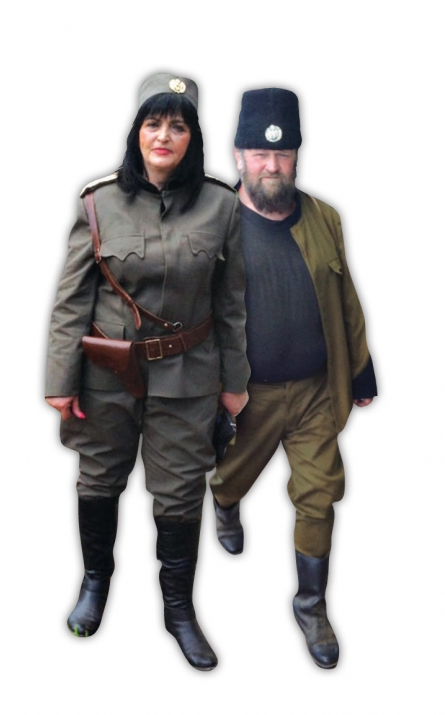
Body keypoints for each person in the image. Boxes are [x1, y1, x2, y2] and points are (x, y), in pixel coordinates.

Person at [45, 73, 250, 671]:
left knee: (181, 491)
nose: (164, 136)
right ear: (137, 131)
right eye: (153, 123)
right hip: (106, 373)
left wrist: (236, 383)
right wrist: (59, 380)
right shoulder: (99, 202)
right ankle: (95, 584)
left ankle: (178, 609)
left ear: (193, 138)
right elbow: (71, 300)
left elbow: (232, 303)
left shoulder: (221, 205)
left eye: (177, 126)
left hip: (189, 375)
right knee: (98, 478)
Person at [210, 88, 377, 669]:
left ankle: (311, 605)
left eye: (282, 154)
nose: (271, 165)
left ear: (297, 155)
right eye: (259, 153)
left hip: (314, 392)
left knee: (321, 493)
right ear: (238, 155)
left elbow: (346, 299)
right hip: (245, 397)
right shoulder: (213, 222)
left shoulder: (325, 218)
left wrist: (362, 370)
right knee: (229, 475)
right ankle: (225, 503)